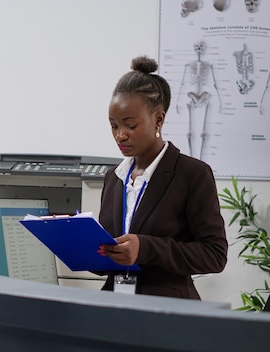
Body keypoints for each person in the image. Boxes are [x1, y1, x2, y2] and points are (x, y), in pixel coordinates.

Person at [98, 56, 228, 300]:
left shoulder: (192, 174)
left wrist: (145, 248)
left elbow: (214, 255)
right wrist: (80, 247)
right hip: (112, 308)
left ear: (158, 119)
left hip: (167, 312)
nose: (120, 135)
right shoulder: (113, 178)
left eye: (130, 125)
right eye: (114, 125)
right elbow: (107, 258)